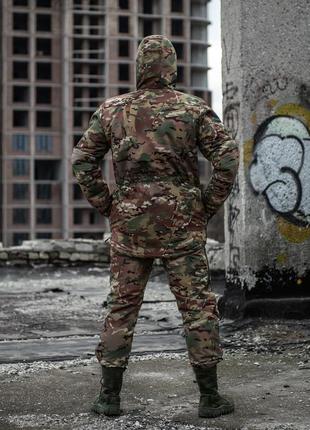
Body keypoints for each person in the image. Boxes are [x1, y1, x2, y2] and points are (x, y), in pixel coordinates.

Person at [71, 34, 239, 419]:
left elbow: (82, 160)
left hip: (130, 226)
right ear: (172, 68)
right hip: (182, 224)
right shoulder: (192, 109)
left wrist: (109, 205)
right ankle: (210, 398)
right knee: (197, 309)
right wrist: (205, 205)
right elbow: (227, 157)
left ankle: (109, 398)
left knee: (122, 308)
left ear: (140, 67)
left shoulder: (113, 110)